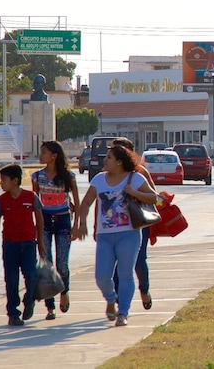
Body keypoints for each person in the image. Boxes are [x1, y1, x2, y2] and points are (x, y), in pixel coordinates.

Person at [73, 145, 158, 326]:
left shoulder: (134, 178)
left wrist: (135, 192)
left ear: (119, 162)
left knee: (125, 274)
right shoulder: (99, 180)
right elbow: (86, 203)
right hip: (105, 236)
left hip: (129, 234)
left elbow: (154, 198)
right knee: (102, 277)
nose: (105, 160)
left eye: (109, 157)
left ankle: (123, 313)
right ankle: (111, 300)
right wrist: (82, 223)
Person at [0, 164, 46, 326]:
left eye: (4, 180)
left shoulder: (31, 197)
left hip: (28, 244)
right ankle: (13, 313)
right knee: (11, 279)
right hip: (10, 245)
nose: (1, 183)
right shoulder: (1, 201)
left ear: (15, 181)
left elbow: (40, 220)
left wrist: (40, 241)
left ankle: (29, 299)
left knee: (31, 275)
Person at [31, 140, 80, 320]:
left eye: (44, 152)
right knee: (46, 264)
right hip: (44, 222)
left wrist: (76, 226)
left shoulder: (69, 176)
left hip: (63, 221)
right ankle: (49, 306)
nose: (40, 155)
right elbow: (35, 204)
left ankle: (64, 291)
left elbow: (77, 202)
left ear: (54, 156)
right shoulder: (37, 177)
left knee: (62, 264)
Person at [107, 138, 158, 311]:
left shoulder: (140, 172)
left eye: (117, 151)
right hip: (116, 224)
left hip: (138, 221)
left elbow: (154, 197)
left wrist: (135, 193)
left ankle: (144, 290)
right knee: (116, 262)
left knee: (139, 260)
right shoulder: (109, 174)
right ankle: (121, 300)